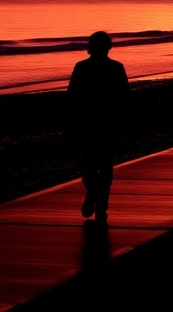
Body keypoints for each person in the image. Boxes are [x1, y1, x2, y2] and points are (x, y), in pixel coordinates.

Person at [66, 31, 130, 225]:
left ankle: (94, 195)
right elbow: (125, 96)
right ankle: (99, 201)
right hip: (108, 122)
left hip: (87, 122)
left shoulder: (82, 67)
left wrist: (72, 118)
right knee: (105, 165)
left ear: (91, 47)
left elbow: (72, 95)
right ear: (109, 48)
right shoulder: (117, 68)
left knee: (88, 164)